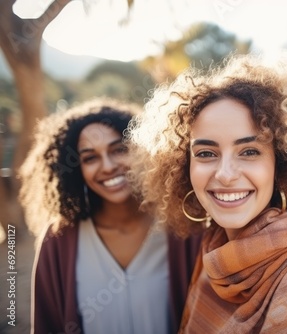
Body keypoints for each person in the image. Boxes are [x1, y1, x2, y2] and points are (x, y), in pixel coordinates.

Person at [127, 54, 287, 333]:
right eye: (206, 153)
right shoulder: (214, 249)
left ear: (281, 164)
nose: (225, 174)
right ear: (185, 165)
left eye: (249, 152)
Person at [19, 98, 201, 334]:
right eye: (90, 158)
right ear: (76, 170)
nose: (107, 166)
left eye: (119, 149)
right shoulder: (58, 241)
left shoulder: (183, 227)